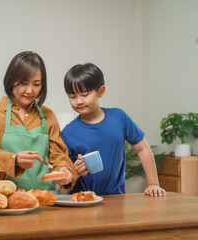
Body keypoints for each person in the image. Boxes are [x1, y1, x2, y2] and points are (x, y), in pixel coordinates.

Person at [0, 51, 78, 193]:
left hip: (46, 199)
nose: (30, 90)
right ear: (11, 80)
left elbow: (58, 155)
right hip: (7, 200)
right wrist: (15, 159)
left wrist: (63, 170)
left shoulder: (48, 115)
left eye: (36, 84)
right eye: (24, 83)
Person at [61, 63, 166, 197]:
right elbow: (64, 173)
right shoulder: (68, 133)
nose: (79, 101)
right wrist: (74, 170)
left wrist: (153, 184)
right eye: (72, 96)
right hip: (81, 202)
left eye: (85, 94)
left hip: (116, 199)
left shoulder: (119, 117)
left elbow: (143, 148)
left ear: (101, 91)